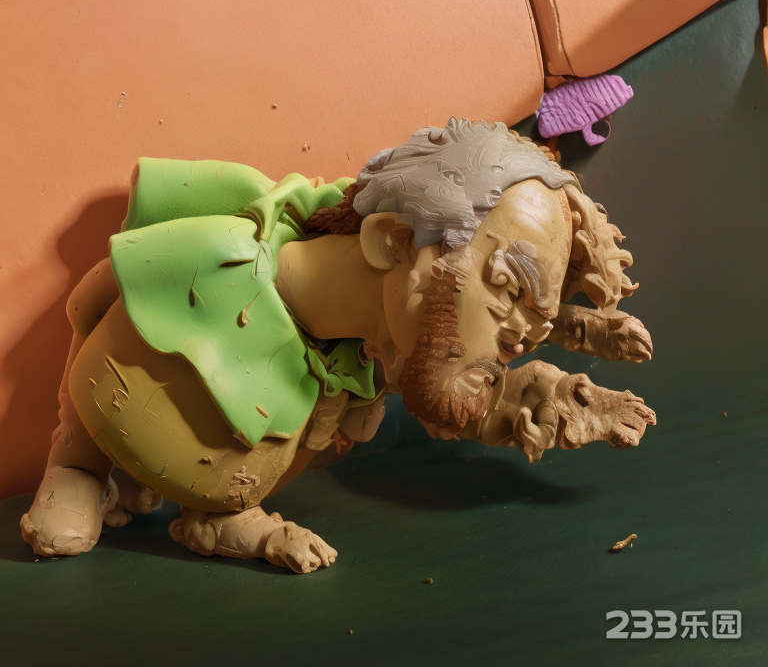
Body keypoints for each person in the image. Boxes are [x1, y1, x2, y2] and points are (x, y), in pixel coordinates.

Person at [21, 119, 654, 573]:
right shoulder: (223, 258)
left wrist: (567, 376)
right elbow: (91, 300)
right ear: (392, 241)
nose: (511, 342)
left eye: (530, 329)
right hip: (105, 418)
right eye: (506, 287)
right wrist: (76, 451)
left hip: (225, 488)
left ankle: (220, 520)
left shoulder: (370, 357)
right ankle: (77, 471)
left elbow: (467, 396)